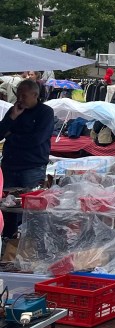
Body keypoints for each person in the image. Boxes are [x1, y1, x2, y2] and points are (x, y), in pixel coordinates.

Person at [0, 79, 55, 240]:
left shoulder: (45, 112)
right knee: (7, 207)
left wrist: (12, 137)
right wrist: (12, 117)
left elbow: (36, 139)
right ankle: (9, 241)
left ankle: (32, 243)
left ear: (35, 95)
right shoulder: (14, 110)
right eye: (18, 95)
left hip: (32, 166)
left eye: (23, 96)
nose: (19, 99)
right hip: (10, 165)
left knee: (32, 209)